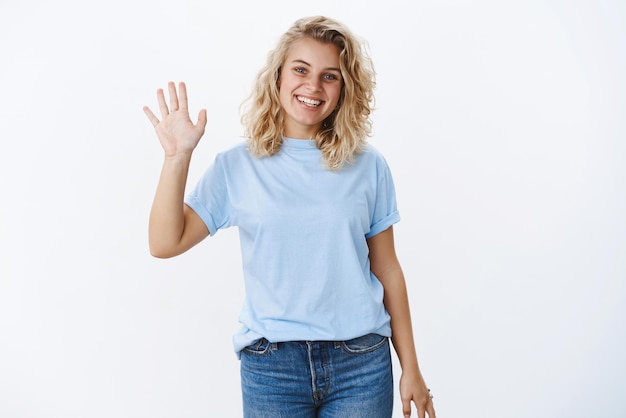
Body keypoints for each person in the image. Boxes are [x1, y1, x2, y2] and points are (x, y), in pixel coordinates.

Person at [143, 15, 436, 418]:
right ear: (278, 75)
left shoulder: (368, 165)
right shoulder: (237, 166)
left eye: (329, 76)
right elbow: (164, 243)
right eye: (301, 70)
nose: (313, 87)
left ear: (344, 88)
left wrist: (412, 369)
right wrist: (177, 158)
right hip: (272, 367)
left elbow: (387, 269)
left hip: (361, 364)